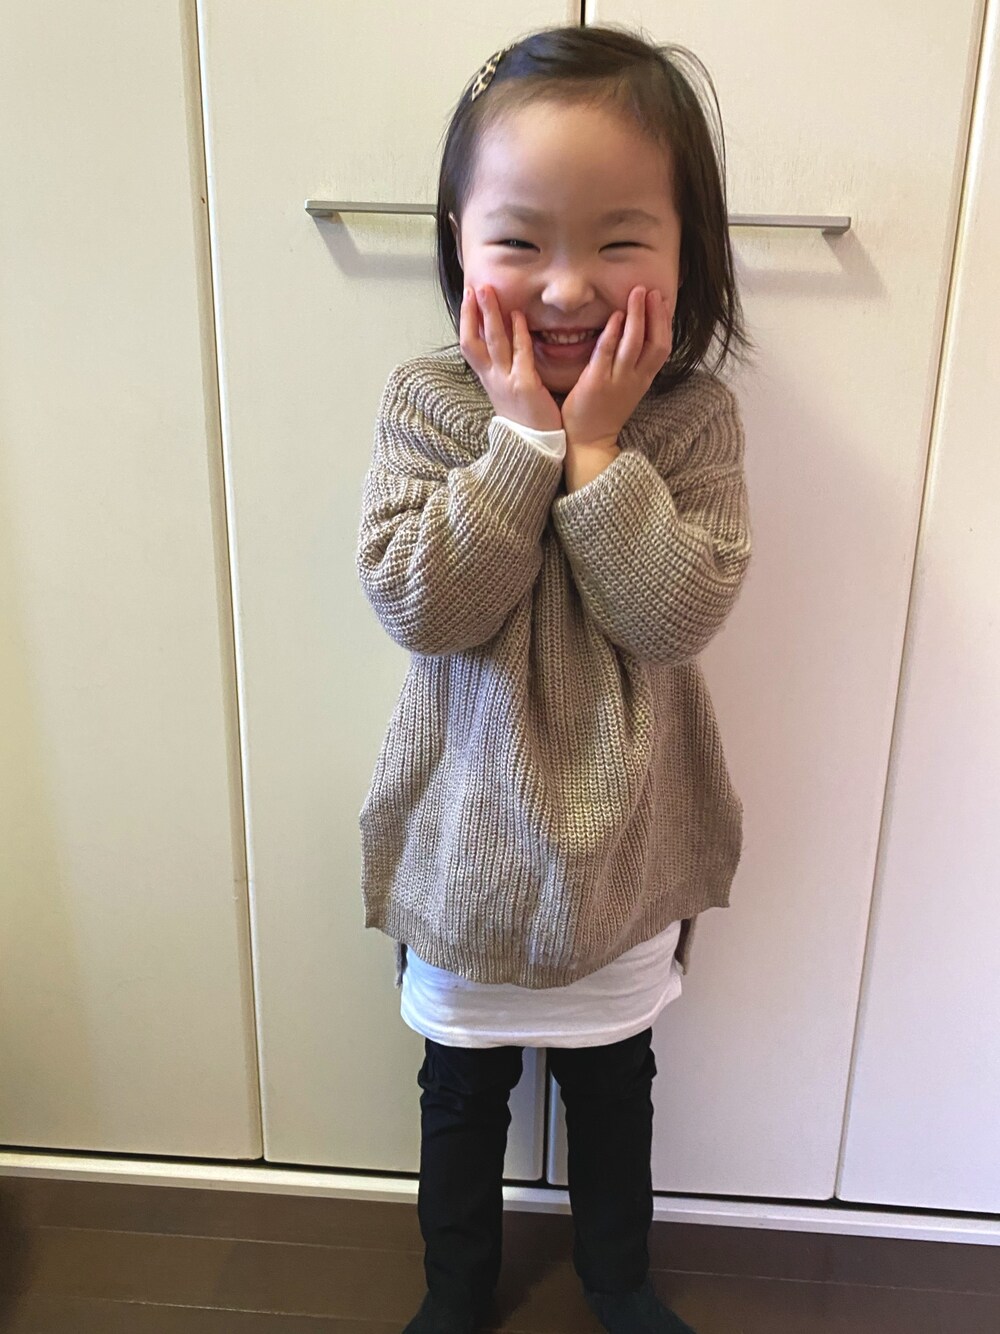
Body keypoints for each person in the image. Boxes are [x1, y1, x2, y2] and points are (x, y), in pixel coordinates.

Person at [355, 23, 754, 1334]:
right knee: (461, 1091)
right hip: (468, 844)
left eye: (620, 240)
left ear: (690, 251)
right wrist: (523, 443)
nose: (570, 288)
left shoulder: (691, 420)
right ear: (459, 244)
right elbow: (420, 602)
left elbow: (674, 614)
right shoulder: (432, 404)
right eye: (522, 241)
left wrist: (598, 452)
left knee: (613, 1086)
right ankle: (455, 1288)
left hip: (625, 854)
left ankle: (617, 1279)